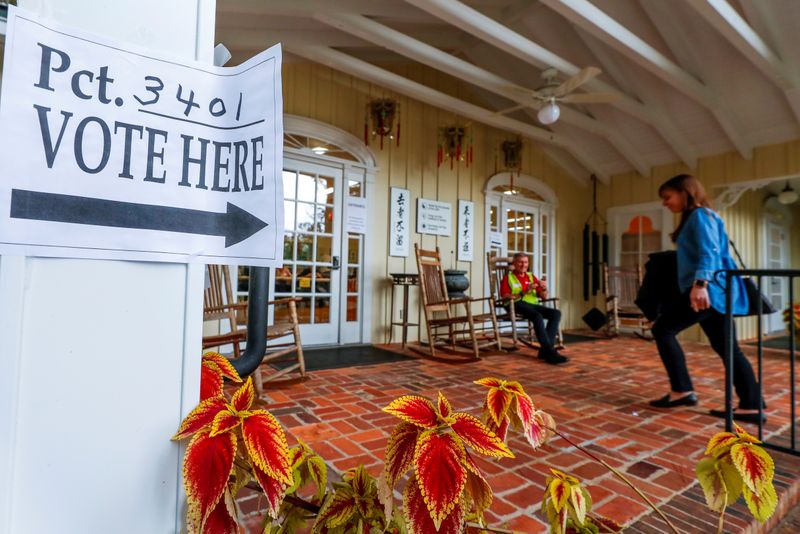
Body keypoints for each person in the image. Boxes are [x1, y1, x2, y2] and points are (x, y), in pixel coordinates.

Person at [649, 174, 764, 423]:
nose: (665, 203)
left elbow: (709, 251)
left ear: (684, 192)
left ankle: (682, 390)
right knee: (728, 349)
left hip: (707, 291)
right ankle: (751, 405)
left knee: (662, 330)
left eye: (667, 197)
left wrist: (700, 284)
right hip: (717, 292)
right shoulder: (701, 216)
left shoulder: (700, 215)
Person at [500, 253, 568, 365]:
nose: (523, 265)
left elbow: (544, 297)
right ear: (514, 264)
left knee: (556, 313)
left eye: (525, 262)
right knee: (537, 316)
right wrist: (524, 291)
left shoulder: (531, 276)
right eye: (520, 262)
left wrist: (544, 288)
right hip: (516, 304)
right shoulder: (508, 278)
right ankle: (550, 352)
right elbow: (505, 297)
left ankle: (544, 351)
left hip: (532, 305)